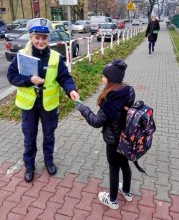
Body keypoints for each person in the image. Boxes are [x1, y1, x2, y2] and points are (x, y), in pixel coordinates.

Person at [7, 18, 79, 183]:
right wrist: (28, 80)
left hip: (49, 105)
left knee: (49, 136)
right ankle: (29, 166)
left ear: (48, 39)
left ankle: (49, 161)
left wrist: (71, 90)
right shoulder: (22, 56)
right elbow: (12, 77)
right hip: (29, 105)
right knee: (29, 137)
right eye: (37, 37)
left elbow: (64, 77)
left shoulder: (55, 57)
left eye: (44, 38)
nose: (40, 41)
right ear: (31, 37)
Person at [75, 59, 135, 209]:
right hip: (126, 137)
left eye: (104, 76)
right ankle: (127, 192)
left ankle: (112, 200)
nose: (101, 78)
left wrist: (83, 108)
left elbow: (96, 121)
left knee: (114, 167)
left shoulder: (110, 100)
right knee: (124, 165)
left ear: (111, 80)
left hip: (113, 140)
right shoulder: (128, 90)